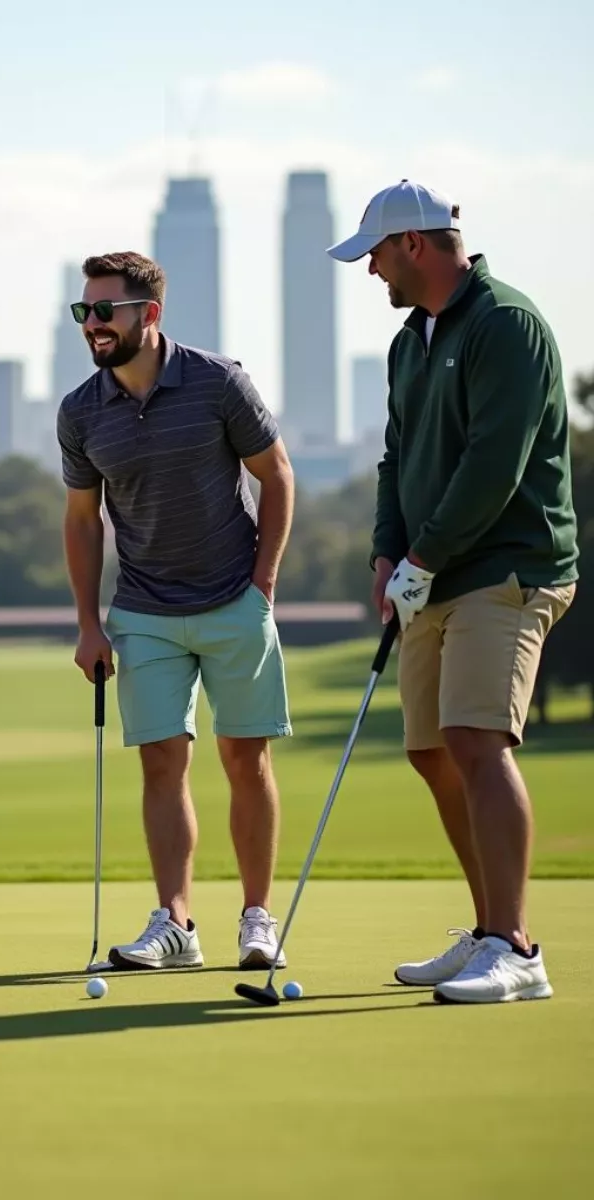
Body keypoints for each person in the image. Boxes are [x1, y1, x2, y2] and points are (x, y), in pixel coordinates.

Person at [328, 180, 579, 1003]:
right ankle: (485, 932)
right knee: (431, 750)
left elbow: (494, 466)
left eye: (374, 255)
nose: (370, 273)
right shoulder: (412, 341)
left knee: (476, 741)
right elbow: (398, 458)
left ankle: (517, 948)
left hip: (508, 567)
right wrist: (384, 553)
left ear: (414, 245)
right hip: (429, 572)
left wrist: (422, 558)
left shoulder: (507, 326)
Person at [56, 251, 296, 972]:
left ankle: (257, 918)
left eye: (105, 311)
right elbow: (80, 520)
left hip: (233, 598)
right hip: (144, 611)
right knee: (162, 762)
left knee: (245, 759)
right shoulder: (81, 411)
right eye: (83, 312)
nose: (92, 325)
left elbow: (276, 475)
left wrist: (265, 584)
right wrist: (88, 623)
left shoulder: (218, 382)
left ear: (148, 315)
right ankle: (177, 922)